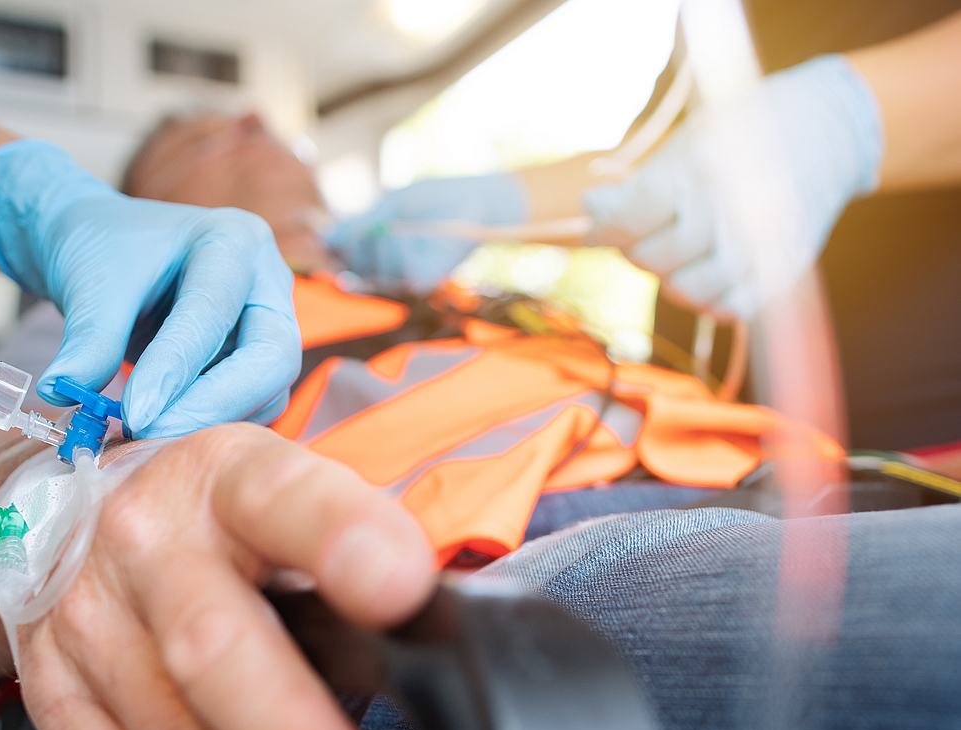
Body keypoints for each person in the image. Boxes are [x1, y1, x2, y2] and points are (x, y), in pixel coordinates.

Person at [0, 110, 961, 730]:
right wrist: (60, 520)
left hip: (847, 487)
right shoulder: (111, 288)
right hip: (518, 586)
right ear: (143, 197)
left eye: (266, 120)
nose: (253, 123)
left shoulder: (470, 286)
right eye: (203, 133)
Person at [330, 7, 961, 464]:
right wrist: (500, 202)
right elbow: (659, 168)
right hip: (715, 445)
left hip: (923, 452)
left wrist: (849, 118)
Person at [0, 0, 300, 436]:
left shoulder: (357, 281)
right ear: (146, 200)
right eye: (204, 143)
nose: (256, 123)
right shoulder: (85, 317)